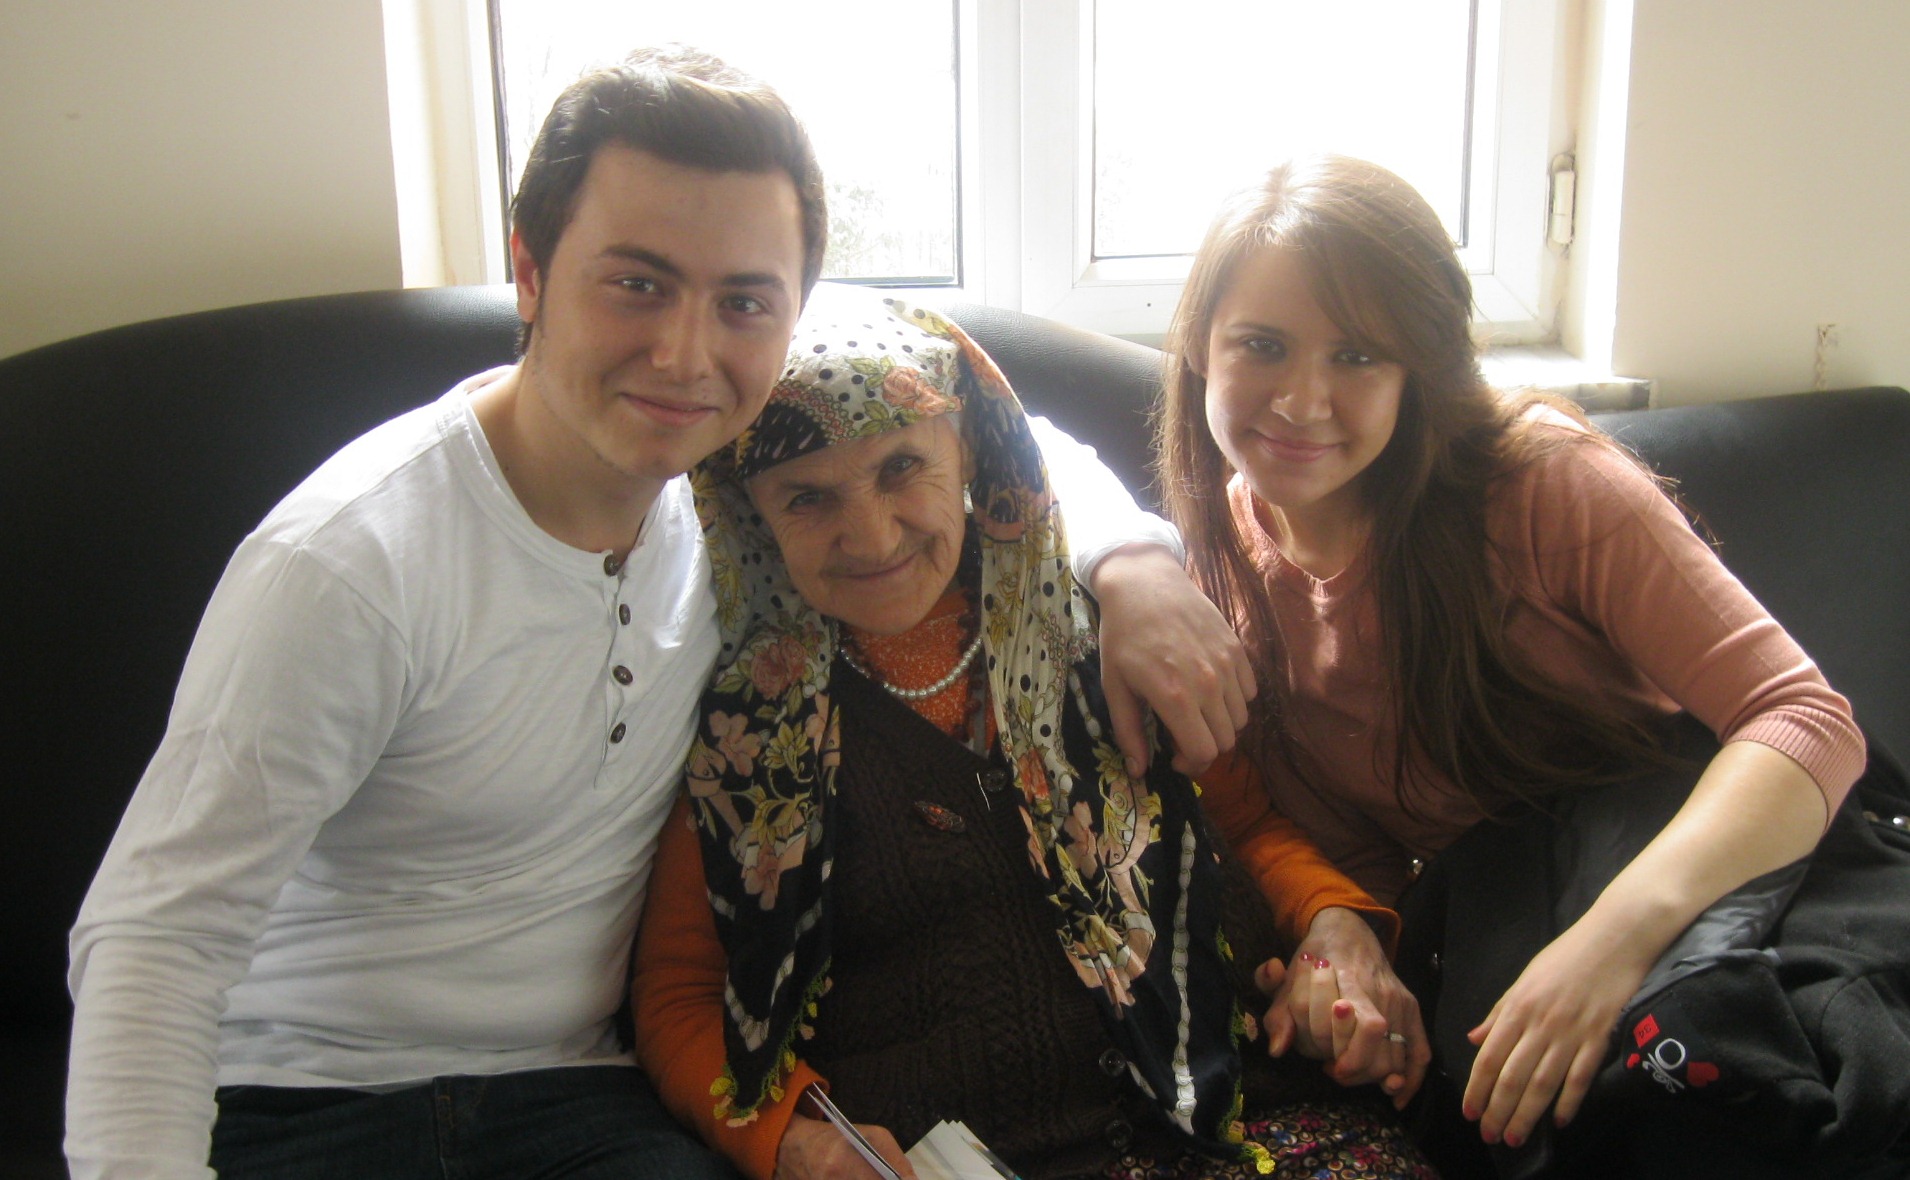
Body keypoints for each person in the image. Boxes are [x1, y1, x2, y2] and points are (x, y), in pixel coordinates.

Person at [64, 48, 1252, 1180]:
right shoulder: (352, 562)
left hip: (575, 1100)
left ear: (791, 319)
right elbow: (155, 937)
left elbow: (994, 436)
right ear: (530, 272)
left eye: (744, 302)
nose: (686, 355)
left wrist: (1133, 564)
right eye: (637, 283)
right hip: (295, 1103)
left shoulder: (744, 516)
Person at [631, 288, 1439, 1180]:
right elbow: (680, 993)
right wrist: (793, 1142)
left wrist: (1336, 926)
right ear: (750, 512)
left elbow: (1248, 827)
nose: (870, 533)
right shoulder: (745, 736)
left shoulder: (1110, 631)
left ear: (967, 451)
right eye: (807, 497)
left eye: (901, 467)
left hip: (1255, 1123)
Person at [1155, 154, 1866, 1154]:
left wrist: (1604, 949)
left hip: (1715, 892)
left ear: (1419, 367)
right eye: (1262, 346)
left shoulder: (1540, 486)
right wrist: (1351, 959)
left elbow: (1805, 721)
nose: (1302, 400)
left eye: (1357, 355)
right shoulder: (1211, 580)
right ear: (1198, 344)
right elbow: (1349, 853)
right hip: (1500, 941)